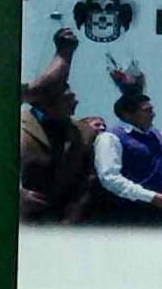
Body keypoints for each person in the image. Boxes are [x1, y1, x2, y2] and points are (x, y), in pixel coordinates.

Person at [19, 26, 103, 224]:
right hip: (22, 225)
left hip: (65, 226)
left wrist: (72, 219)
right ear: (46, 101)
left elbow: (88, 182)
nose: (75, 102)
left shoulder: (85, 133)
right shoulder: (16, 126)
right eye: (68, 99)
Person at [92, 92, 162, 227]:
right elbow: (109, 178)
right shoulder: (110, 138)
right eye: (147, 111)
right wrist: (149, 196)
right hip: (131, 213)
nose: (153, 114)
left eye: (152, 110)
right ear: (127, 114)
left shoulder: (156, 134)